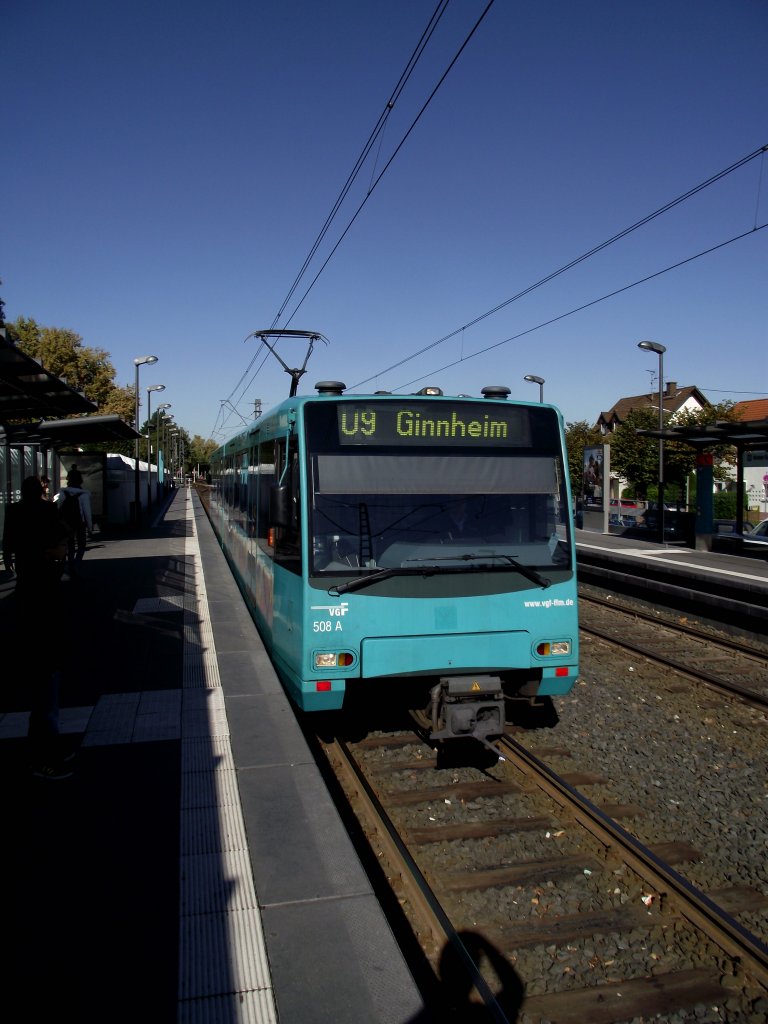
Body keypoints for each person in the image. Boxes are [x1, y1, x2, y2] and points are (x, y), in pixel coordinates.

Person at [2, 476, 74, 779]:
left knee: (42, 693)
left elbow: (8, 542)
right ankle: (43, 756)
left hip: (31, 619)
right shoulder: (46, 576)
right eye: (59, 548)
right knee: (45, 693)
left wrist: (9, 561)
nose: (63, 551)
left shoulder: (14, 513)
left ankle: (48, 747)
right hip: (42, 632)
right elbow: (63, 533)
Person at [53, 465, 93, 577]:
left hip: (66, 524)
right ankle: (76, 564)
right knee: (81, 545)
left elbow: (58, 508)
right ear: (80, 480)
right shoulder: (83, 494)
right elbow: (87, 512)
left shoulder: (63, 493)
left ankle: (68, 564)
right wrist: (90, 527)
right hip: (79, 524)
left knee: (69, 546)